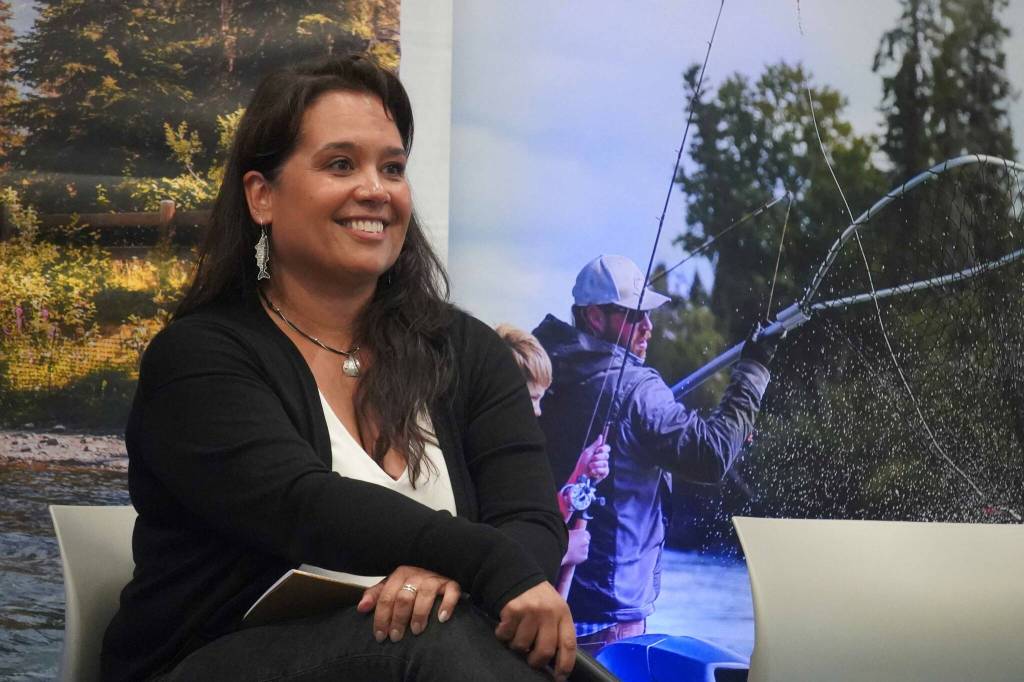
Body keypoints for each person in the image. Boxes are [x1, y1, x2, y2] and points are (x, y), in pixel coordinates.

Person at [101, 55, 576, 682]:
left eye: (394, 167)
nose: (376, 190)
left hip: (432, 651)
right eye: (340, 164)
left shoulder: (467, 350)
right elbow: (304, 505)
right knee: (436, 640)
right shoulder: (198, 359)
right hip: (213, 657)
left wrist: (447, 576)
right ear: (262, 196)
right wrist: (483, 564)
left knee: (467, 637)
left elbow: (532, 522)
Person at [532, 254, 778, 655]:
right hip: (610, 620)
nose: (648, 327)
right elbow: (712, 456)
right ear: (595, 316)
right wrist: (754, 368)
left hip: (540, 601)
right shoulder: (638, 389)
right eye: (635, 316)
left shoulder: (536, 368)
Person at [494, 324, 611, 568]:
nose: (538, 411)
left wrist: (580, 474)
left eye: (541, 399)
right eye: (533, 399)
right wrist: (563, 550)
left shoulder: (517, 452)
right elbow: (495, 555)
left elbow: (539, 527)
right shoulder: (486, 459)